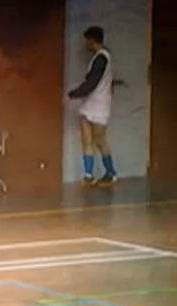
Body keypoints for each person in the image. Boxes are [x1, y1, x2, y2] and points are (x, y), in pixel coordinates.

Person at [67, 26, 117, 187]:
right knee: (86, 139)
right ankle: (88, 174)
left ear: (92, 40)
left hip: (99, 105)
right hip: (90, 103)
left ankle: (111, 172)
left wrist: (72, 95)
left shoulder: (102, 58)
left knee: (99, 140)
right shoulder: (98, 57)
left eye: (87, 40)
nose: (86, 44)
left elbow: (92, 83)